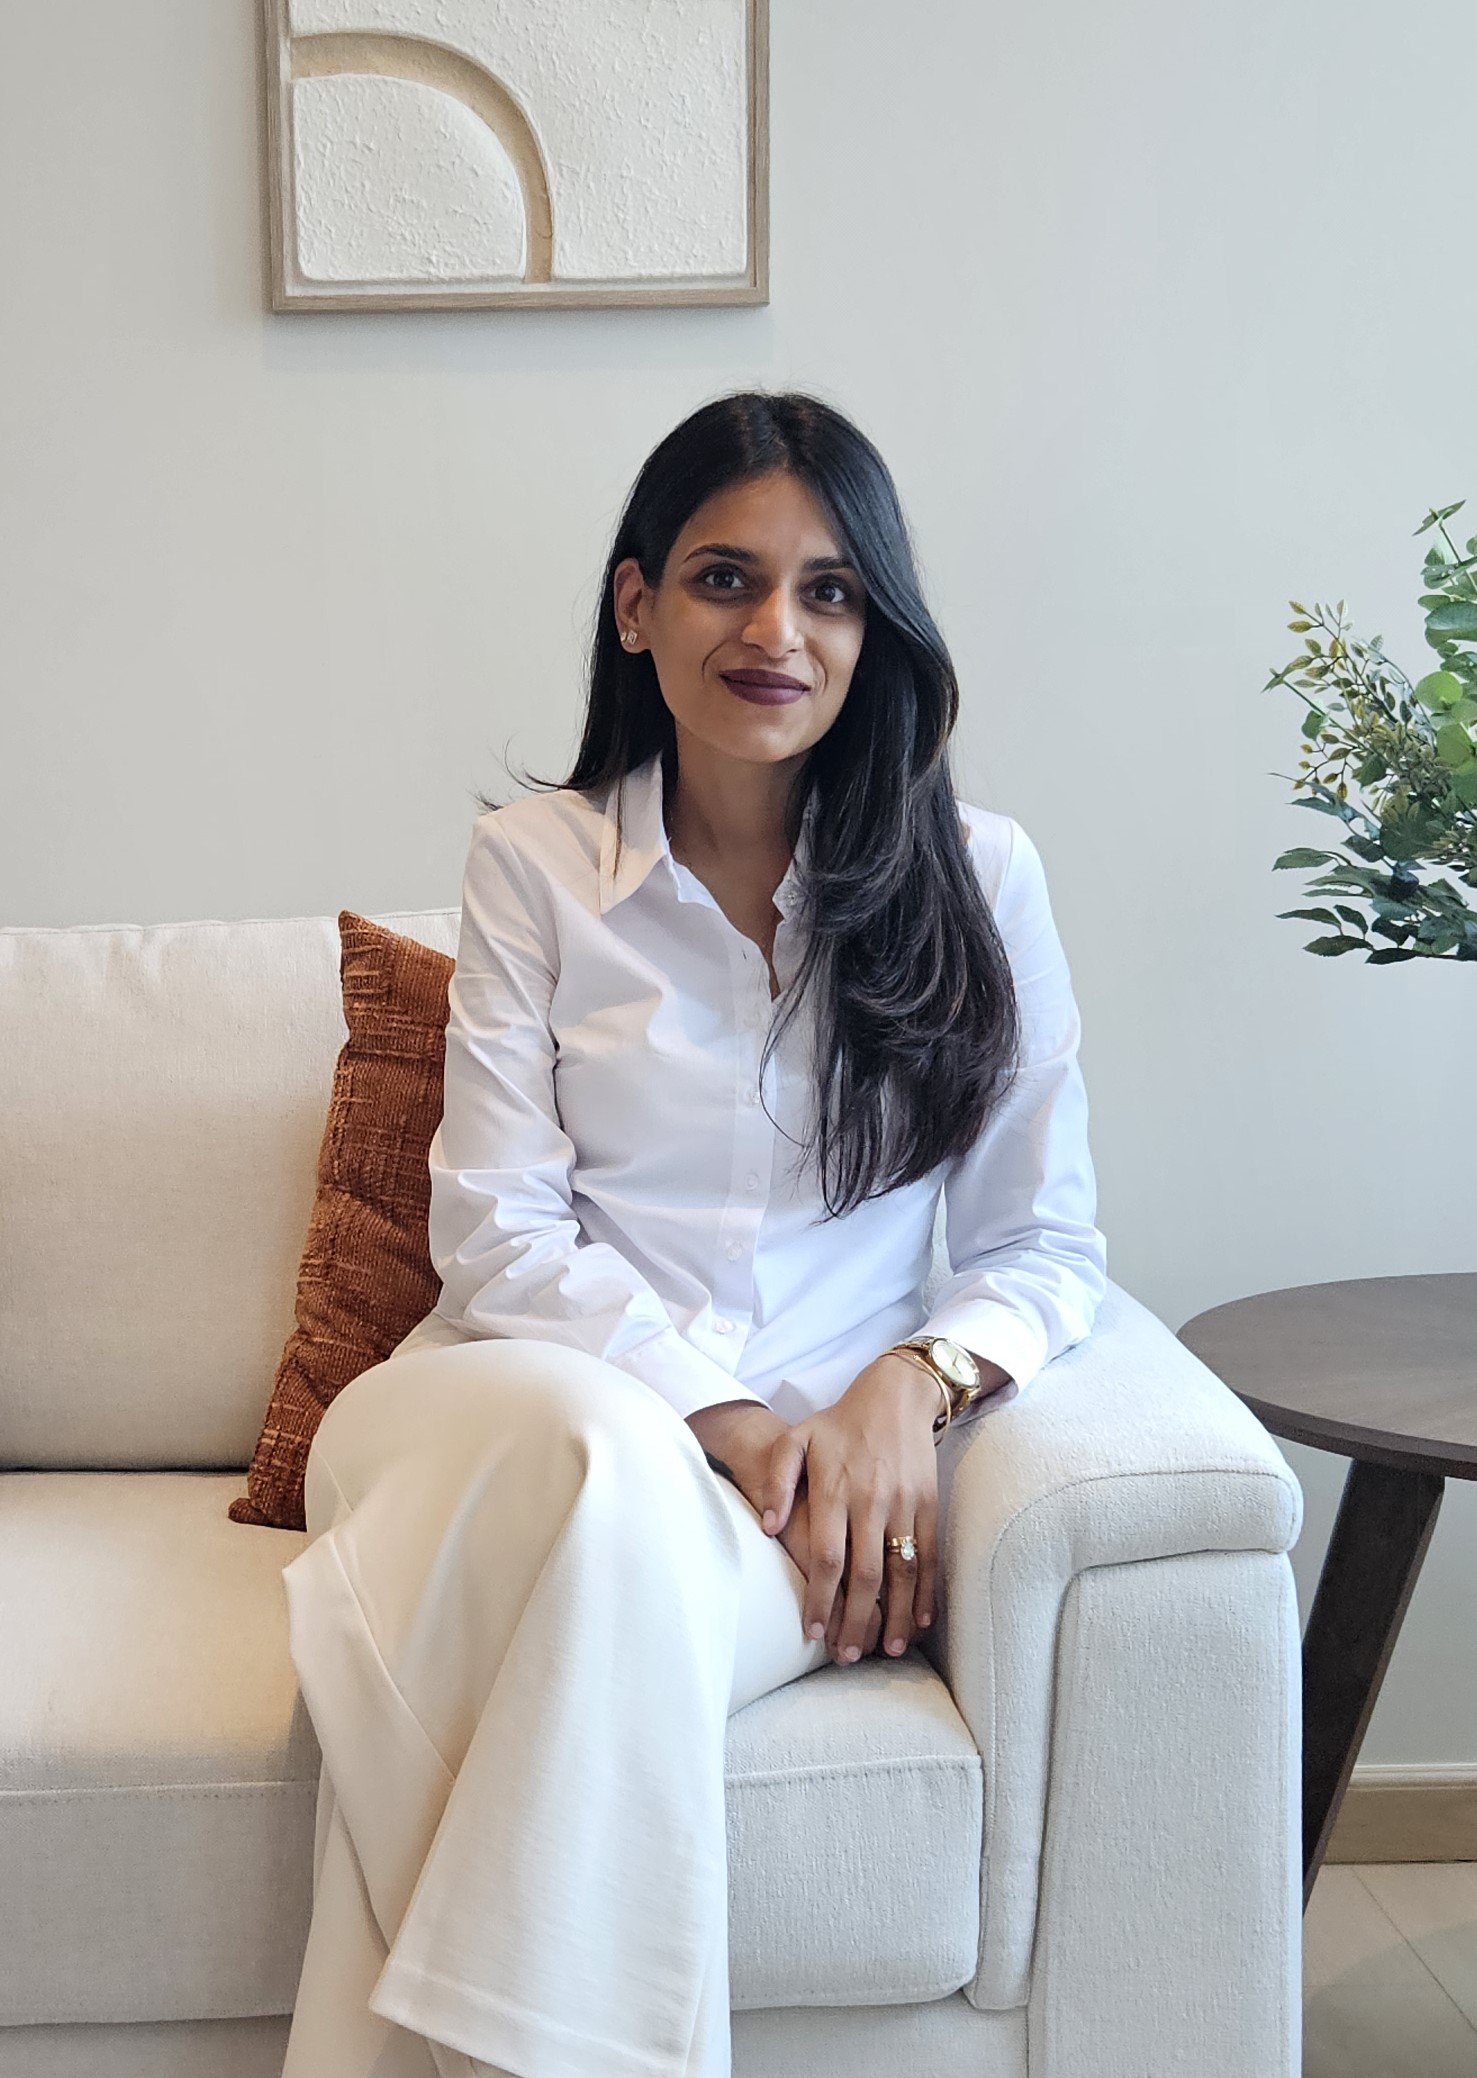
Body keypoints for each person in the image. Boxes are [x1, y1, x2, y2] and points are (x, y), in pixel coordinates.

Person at [278, 388, 1107, 2078]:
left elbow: (1045, 1247)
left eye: (829, 591)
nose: (776, 630)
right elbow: (495, 1235)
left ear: (874, 630)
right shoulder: (536, 864)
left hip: (796, 1493)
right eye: (725, 577)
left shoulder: (985, 877)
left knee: (615, 1554)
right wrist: (713, 1413)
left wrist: (909, 1379)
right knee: (600, 1451)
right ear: (635, 602)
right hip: (500, 1410)